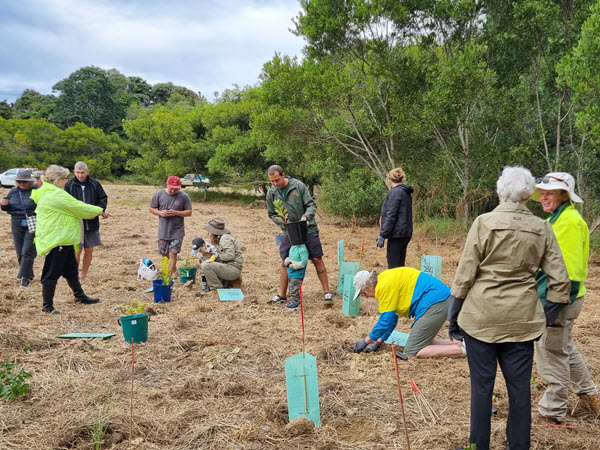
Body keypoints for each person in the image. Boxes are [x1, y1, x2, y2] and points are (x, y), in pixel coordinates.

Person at [449, 166, 571, 450]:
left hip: (480, 319)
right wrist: (546, 315)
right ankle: (518, 446)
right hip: (522, 321)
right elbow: (560, 280)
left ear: (500, 191)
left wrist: (453, 317)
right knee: (520, 390)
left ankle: (477, 446)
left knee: (481, 389)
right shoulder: (542, 228)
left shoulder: (483, 222)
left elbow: (464, 274)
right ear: (529, 194)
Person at [531, 172, 599, 422]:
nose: (544, 197)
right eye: (543, 193)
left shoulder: (569, 221)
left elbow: (568, 272)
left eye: (550, 192)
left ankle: (553, 411)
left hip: (560, 298)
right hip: (560, 297)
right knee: (563, 346)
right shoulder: (560, 219)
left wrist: (551, 307)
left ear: (564, 195)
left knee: (551, 351)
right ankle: (589, 393)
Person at [31, 165, 104, 314]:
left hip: (64, 237)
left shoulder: (48, 191)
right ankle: (47, 306)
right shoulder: (56, 195)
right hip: (57, 239)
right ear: (58, 180)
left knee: (71, 270)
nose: (67, 180)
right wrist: (100, 211)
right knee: (50, 273)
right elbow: (78, 207)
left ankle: (79, 296)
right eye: (65, 178)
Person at [351, 268, 464, 358]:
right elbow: (392, 319)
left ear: (369, 285)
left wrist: (365, 341)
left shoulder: (383, 287)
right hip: (440, 299)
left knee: (412, 350)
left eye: (362, 292)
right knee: (419, 341)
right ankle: (460, 343)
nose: (365, 296)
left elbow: (385, 321)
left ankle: (463, 349)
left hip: (435, 303)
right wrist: (379, 342)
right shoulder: (384, 280)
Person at [265, 165, 333, 304]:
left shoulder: (298, 186)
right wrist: (282, 222)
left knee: (316, 259)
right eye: (272, 181)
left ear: (283, 174)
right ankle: (281, 295)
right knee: (285, 261)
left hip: (308, 228)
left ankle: (327, 293)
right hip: (288, 231)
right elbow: (271, 213)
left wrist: (305, 217)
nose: (275, 184)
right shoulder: (271, 192)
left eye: (277, 180)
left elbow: (311, 205)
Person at [64, 161, 109, 281]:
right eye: (78, 172)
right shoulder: (69, 185)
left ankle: (84, 275)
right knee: (77, 250)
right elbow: (66, 203)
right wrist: (79, 214)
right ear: (74, 172)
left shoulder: (95, 184)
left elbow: (103, 199)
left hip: (92, 223)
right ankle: (74, 275)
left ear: (87, 172)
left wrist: (97, 212)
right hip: (75, 223)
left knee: (89, 249)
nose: (80, 175)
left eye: (82, 173)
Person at [149, 176, 192, 281]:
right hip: (163, 230)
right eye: (171, 188)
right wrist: (160, 212)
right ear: (167, 185)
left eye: (176, 188)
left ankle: (169, 275)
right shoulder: (158, 194)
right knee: (164, 253)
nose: (173, 190)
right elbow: (151, 208)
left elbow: (189, 212)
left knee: (173, 253)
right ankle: (173, 270)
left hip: (177, 230)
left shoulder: (184, 197)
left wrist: (176, 212)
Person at [1, 169, 38, 287]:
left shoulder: (36, 191)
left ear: (30, 182)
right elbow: (7, 208)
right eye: (19, 181)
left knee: (27, 250)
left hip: (32, 221)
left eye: (24, 182)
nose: (22, 183)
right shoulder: (12, 192)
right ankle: (29, 273)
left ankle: (24, 277)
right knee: (19, 251)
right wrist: (3, 205)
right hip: (16, 222)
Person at [377, 167, 414, 268]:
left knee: (393, 267)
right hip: (405, 233)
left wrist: (382, 235)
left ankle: (395, 284)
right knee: (400, 266)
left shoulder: (395, 192)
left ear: (389, 180)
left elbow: (391, 215)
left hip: (397, 234)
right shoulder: (405, 192)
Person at [200, 219, 243, 291]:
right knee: (206, 260)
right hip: (230, 267)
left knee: (206, 265)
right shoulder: (223, 238)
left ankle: (217, 289)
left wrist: (215, 256)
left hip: (233, 269)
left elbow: (230, 255)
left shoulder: (225, 238)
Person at [282, 242, 309, 310]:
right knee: (291, 287)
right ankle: (293, 299)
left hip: (297, 274)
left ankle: (295, 302)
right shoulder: (293, 247)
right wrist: (287, 260)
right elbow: (290, 256)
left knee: (294, 288)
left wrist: (294, 265)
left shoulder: (303, 250)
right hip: (290, 272)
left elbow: (303, 262)